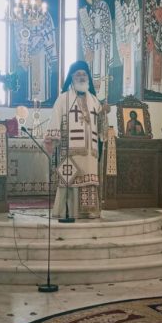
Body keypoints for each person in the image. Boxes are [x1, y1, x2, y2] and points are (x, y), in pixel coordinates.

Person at [44, 61, 109, 219]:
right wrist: (51, 138)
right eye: (78, 74)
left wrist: (103, 113)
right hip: (70, 150)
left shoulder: (94, 100)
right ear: (72, 77)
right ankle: (68, 212)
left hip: (90, 151)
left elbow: (100, 126)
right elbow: (55, 118)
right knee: (70, 179)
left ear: (88, 78)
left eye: (84, 74)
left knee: (89, 179)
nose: (81, 77)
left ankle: (89, 212)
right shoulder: (63, 99)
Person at [79, 0, 113, 101]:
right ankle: (93, 94)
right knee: (93, 68)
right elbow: (86, 28)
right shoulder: (90, 10)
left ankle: (102, 94)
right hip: (93, 43)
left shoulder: (103, 5)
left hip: (101, 42)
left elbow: (107, 22)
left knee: (102, 66)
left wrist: (99, 30)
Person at [115, 0, 141, 96]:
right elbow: (119, 23)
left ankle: (132, 89)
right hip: (125, 36)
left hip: (132, 35)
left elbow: (136, 15)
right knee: (126, 60)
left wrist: (133, 29)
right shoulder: (122, 4)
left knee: (131, 59)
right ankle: (126, 90)